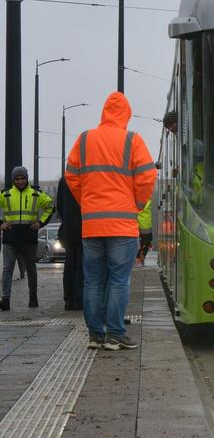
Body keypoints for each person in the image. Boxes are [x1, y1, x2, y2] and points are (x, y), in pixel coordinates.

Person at [65, 91, 157, 350]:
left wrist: (88, 201)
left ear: (103, 113)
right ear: (126, 114)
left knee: (92, 280)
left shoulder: (84, 140)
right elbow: (148, 176)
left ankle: (96, 334)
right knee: (118, 280)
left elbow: (71, 175)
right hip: (122, 224)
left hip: (92, 224)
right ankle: (116, 333)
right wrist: (136, 205)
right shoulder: (132, 140)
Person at [0, 166, 55, 310]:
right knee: (7, 269)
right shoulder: (5, 194)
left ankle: (33, 297)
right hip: (10, 238)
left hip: (29, 237)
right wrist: (1, 224)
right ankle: (5, 300)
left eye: (22, 178)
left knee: (31, 268)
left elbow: (51, 207)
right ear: (13, 180)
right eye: (17, 179)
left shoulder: (36, 194)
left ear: (26, 178)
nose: (20, 181)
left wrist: (41, 223)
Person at [56, 176, 83, 311]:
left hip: (68, 228)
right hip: (85, 227)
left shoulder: (64, 179)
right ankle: (79, 299)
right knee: (81, 265)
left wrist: (67, 219)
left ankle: (69, 300)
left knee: (69, 265)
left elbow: (59, 206)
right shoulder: (87, 176)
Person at [136, 200, 152, 267]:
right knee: (143, 242)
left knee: (145, 242)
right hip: (144, 222)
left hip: (145, 222)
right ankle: (138, 259)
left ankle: (140, 259)